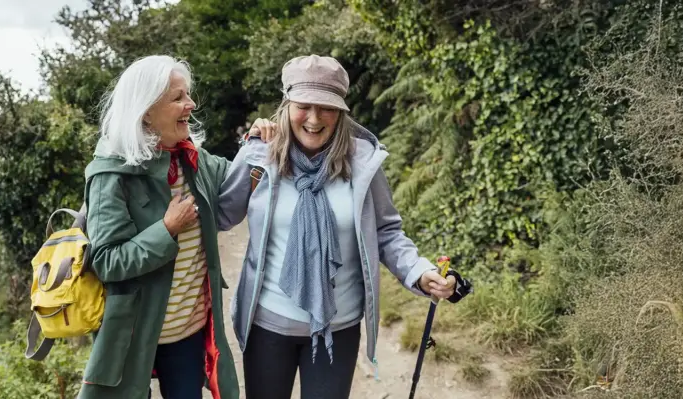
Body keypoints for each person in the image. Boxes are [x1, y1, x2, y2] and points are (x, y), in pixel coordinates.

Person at [217, 54, 457, 399]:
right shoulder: (260, 156)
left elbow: (387, 232)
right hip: (267, 326)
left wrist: (419, 271)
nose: (314, 118)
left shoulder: (363, 162)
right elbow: (221, 215)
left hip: (338, 327)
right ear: (286, 105)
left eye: (327, 107)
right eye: (304, 106)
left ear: (341, 112)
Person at [77, 55, 272, 399]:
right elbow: (106, 261)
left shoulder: (190, 159)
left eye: (188, 94)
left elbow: (235, 182)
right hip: (133, 336)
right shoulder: (111, 174)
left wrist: (255, 141)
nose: (190, 104)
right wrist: (166, 229)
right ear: (145, 111)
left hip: (187, 333)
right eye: (178, 97)